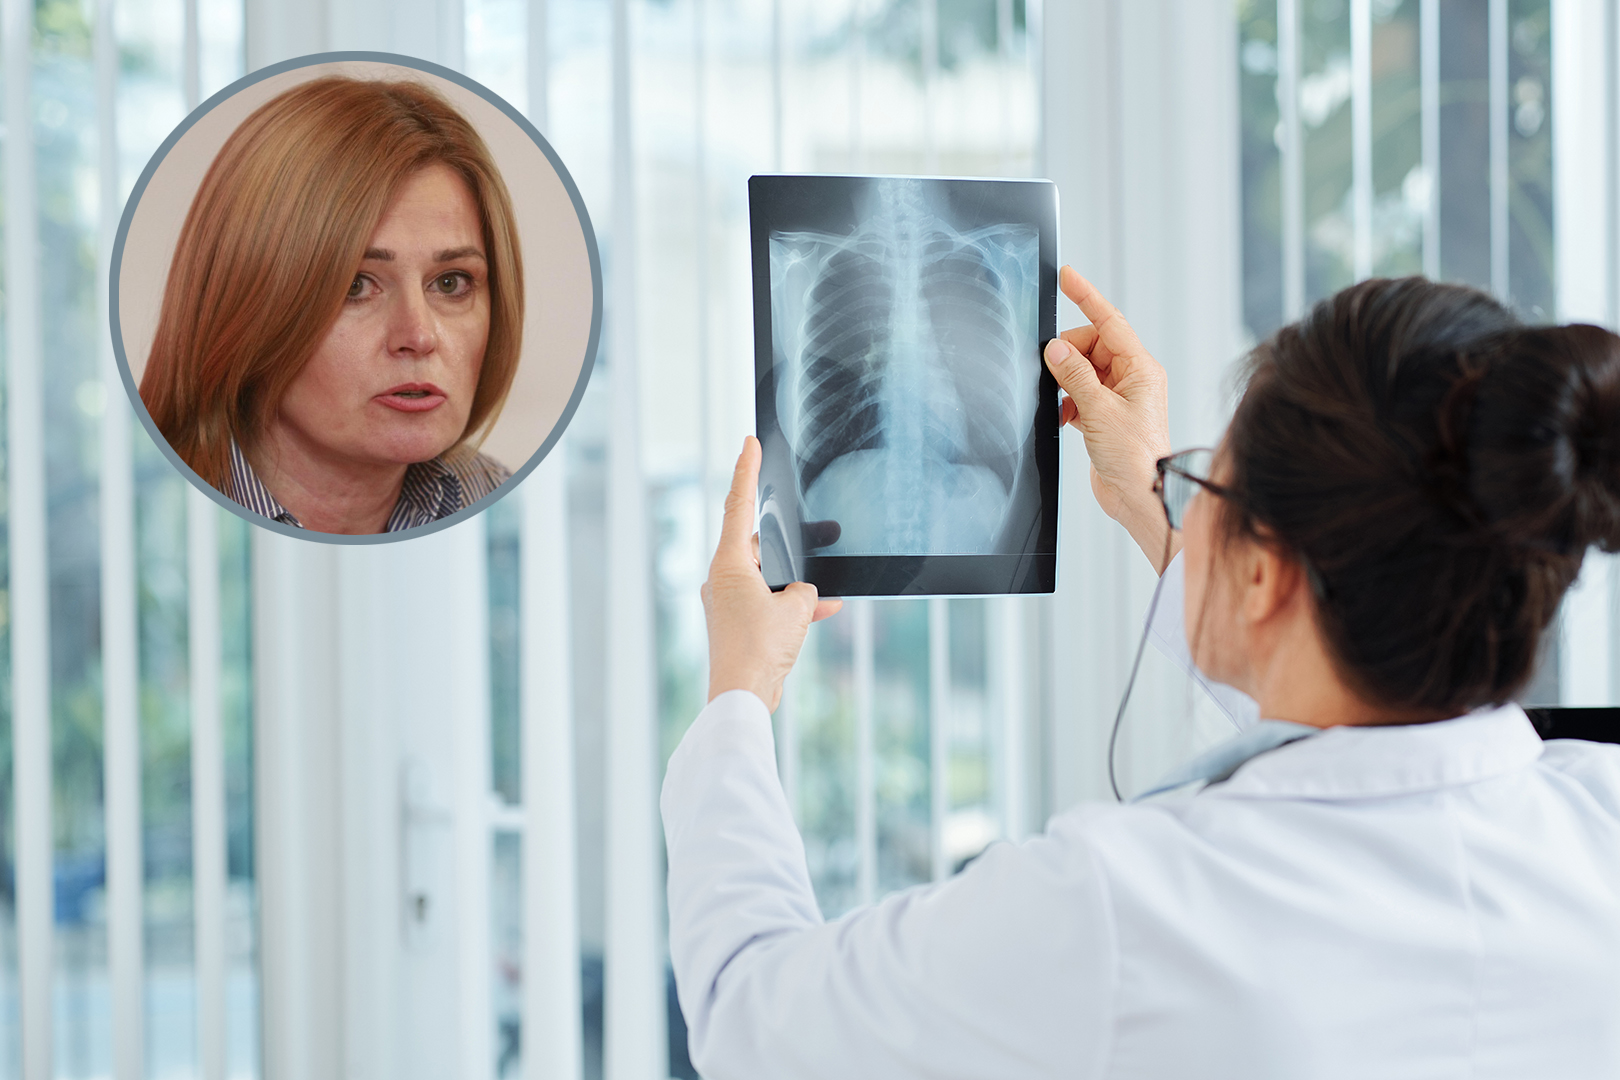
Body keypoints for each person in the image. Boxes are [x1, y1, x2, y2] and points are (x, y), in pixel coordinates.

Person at [661, 268, 1620, 1078]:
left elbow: (750, 1014)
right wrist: (1153, 491)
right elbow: (1352, 724)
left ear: (1263, 573)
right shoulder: (1600, 816)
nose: (1183, 501)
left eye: (1203, 484)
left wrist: (738, 696)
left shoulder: (1119, 904)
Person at [140, 75, 523, 534]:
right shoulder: (150, 522)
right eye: (355, 286)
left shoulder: (498, 501)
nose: (419, 336)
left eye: (449, 282)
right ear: (247, 303)